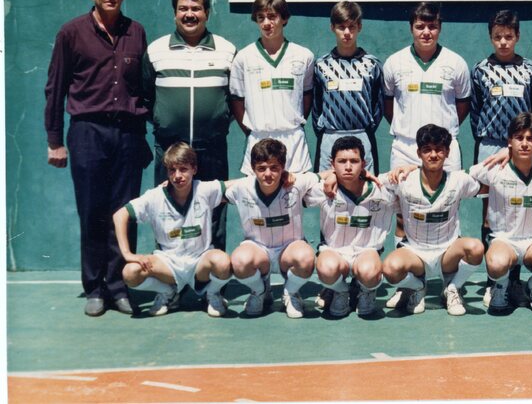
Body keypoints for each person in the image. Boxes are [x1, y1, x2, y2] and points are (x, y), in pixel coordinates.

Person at [44, 0, 151, 317]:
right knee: (92, 211)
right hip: (88, 131)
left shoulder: (136, 32)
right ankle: (94, 288)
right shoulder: (71, 32)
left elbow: (142, 87)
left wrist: (142, 133)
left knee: (125, 213)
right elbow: (55, 88)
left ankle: (119, 286)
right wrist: (54, 140)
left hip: (128, 134)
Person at [141, 0, 237, 251]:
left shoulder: (227, 50)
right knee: (167, 211)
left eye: (196, 8)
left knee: (214, 209)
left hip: (212, 148)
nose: (189, 14)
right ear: (174, 14)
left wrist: (218, 121)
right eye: (183, 9)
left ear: (207, 13)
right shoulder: (156, 50)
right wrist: (163, 122)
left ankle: (213, 274)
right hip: (169, 149)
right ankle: (169, 271)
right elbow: (145, 97)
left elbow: (235, 98)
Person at [382, 3, 472, 277]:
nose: (426, 32)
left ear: (440, 28)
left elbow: (462, 104)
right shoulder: (394, 63)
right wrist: (409, 131)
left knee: (449, 210)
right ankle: (410, 282)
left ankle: (450, 282)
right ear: (411, 28)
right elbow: (389, 105)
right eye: (420, 26)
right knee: (402, 213)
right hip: (406, 146)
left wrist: (440, 140)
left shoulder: (455, 63)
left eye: (432, 26)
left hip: (442, 149)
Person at [470, 10, 532, 307]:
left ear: (517, 37)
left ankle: (517, 281)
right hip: (490, 146)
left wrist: (518, 144)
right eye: (498, 37)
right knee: (491, 213)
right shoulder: (480, 70)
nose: (503, 42)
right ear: (491, 37)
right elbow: (475, 111)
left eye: (508, 37)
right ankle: (496, 280)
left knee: (520, 212)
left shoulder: (530, 70)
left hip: (522, 145)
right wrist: (493, 141)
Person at [112, 143, 232, 317]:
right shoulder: (154, 196)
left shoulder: (204, 189)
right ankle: (167, 292)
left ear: (194, 169)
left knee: (223, 263)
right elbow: (119, 215)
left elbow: (240, 185)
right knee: (130, 273)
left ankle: (212, 293)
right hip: (168, 263)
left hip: (200, 261)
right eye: (172, 170)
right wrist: (127, 254)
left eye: (183, 169)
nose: (177, 176)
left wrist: (273, 177)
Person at [469, 113, 532, 314]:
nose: (524, 144)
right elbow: (468, 174)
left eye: (530, 139)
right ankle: (501, 286)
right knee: (496, 264)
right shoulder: (495, 168)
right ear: (510, 141)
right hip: (504, 239)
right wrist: (503, 153)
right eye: (519, 138)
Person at [381, 124, 483, 316]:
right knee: (390, 269)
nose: (433, 155)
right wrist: (330, 177)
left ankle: (452, 288)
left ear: (447, 152)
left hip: (448, 253)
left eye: (439, 150)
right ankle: (417, 287)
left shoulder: (459, 179)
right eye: (427, 150)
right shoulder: (403, 178)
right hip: (415, 253)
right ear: (419, 153)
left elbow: (488, 183)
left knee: (475, 248)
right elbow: (365, 181)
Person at [225, 139, 319, 318]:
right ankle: (260, 292)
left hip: (289, 248)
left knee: (306, 258)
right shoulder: (242, 187)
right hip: (257, 249)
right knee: (239, 261)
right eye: (261, 168)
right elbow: (212, 189)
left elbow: (328, 175)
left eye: (274, 168)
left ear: (283, 167)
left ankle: (290, 293)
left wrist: (334, 178)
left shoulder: (297, 182)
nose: (268, 174)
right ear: (253, 169)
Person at [307, 136, 398, 318]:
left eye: (354, 161)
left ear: (363, 164)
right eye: (342, 161)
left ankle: (366, 290)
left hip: (366, 251)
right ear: (332, 164)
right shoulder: (324, 190)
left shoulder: (381, 189)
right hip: (334, 251)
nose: (348, 167)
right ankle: (341, 290)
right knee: (325, 268)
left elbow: (415, 177)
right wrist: (328, 175)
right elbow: (294, 184)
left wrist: (412, 168)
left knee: (369, 272)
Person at [230, 0, 315, 174]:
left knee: (294, 191)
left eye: (272, 16)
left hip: (293, 138)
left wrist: (294, 121)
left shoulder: (304, 56)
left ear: (284, 18)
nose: (266, 23)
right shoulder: (243, 57)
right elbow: (237, 99)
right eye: (260, 17)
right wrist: (251, 131)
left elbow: (307, 94)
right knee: (258, 191)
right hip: (258, 138)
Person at [311, 1, 384, 173]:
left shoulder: (372, 64)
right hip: (330, 135)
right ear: (332, 28)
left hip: (362, 134)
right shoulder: (321, 65)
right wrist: (324, 131)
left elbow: (378, 104)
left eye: (351, 27)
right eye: (341, 27)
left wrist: (366, 129)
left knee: (365, 186)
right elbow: (316, 105)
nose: (346, 33)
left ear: (359, 27)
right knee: (326, 186)